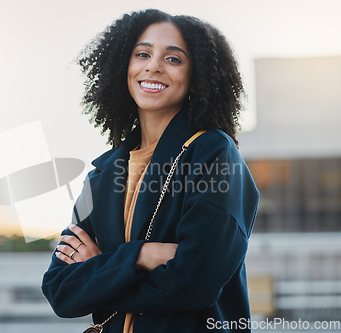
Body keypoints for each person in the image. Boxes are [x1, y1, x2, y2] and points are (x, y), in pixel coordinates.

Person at [42, 8, 259, 333]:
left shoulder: (213, 153)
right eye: (142, 54)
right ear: (123, 67)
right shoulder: (101, 176)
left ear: (197, 76)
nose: (153, 65)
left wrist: (100, 270)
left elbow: (194, 283)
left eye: (173, 58)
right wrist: (145, 254)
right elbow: (61, 290)